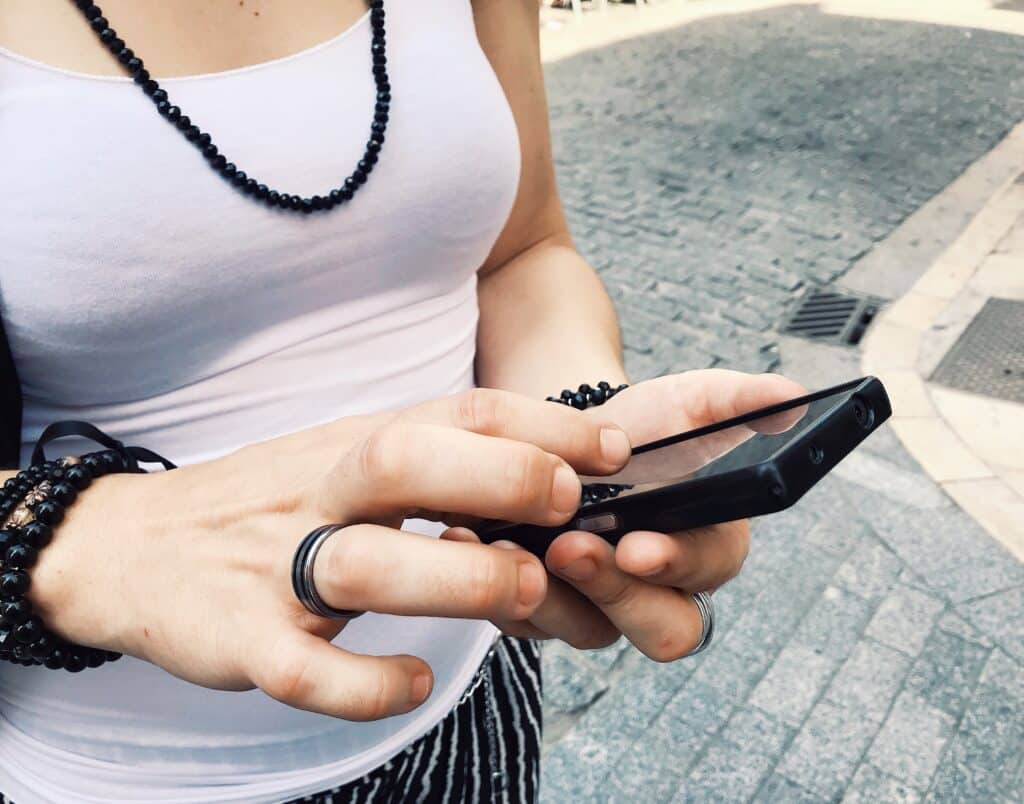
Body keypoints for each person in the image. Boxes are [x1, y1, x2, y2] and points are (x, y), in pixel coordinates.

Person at [0, 0, 804, 801]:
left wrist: (587, 431)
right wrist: (99, 545)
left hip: (474, 700)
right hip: (113, 775)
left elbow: (522, 250)